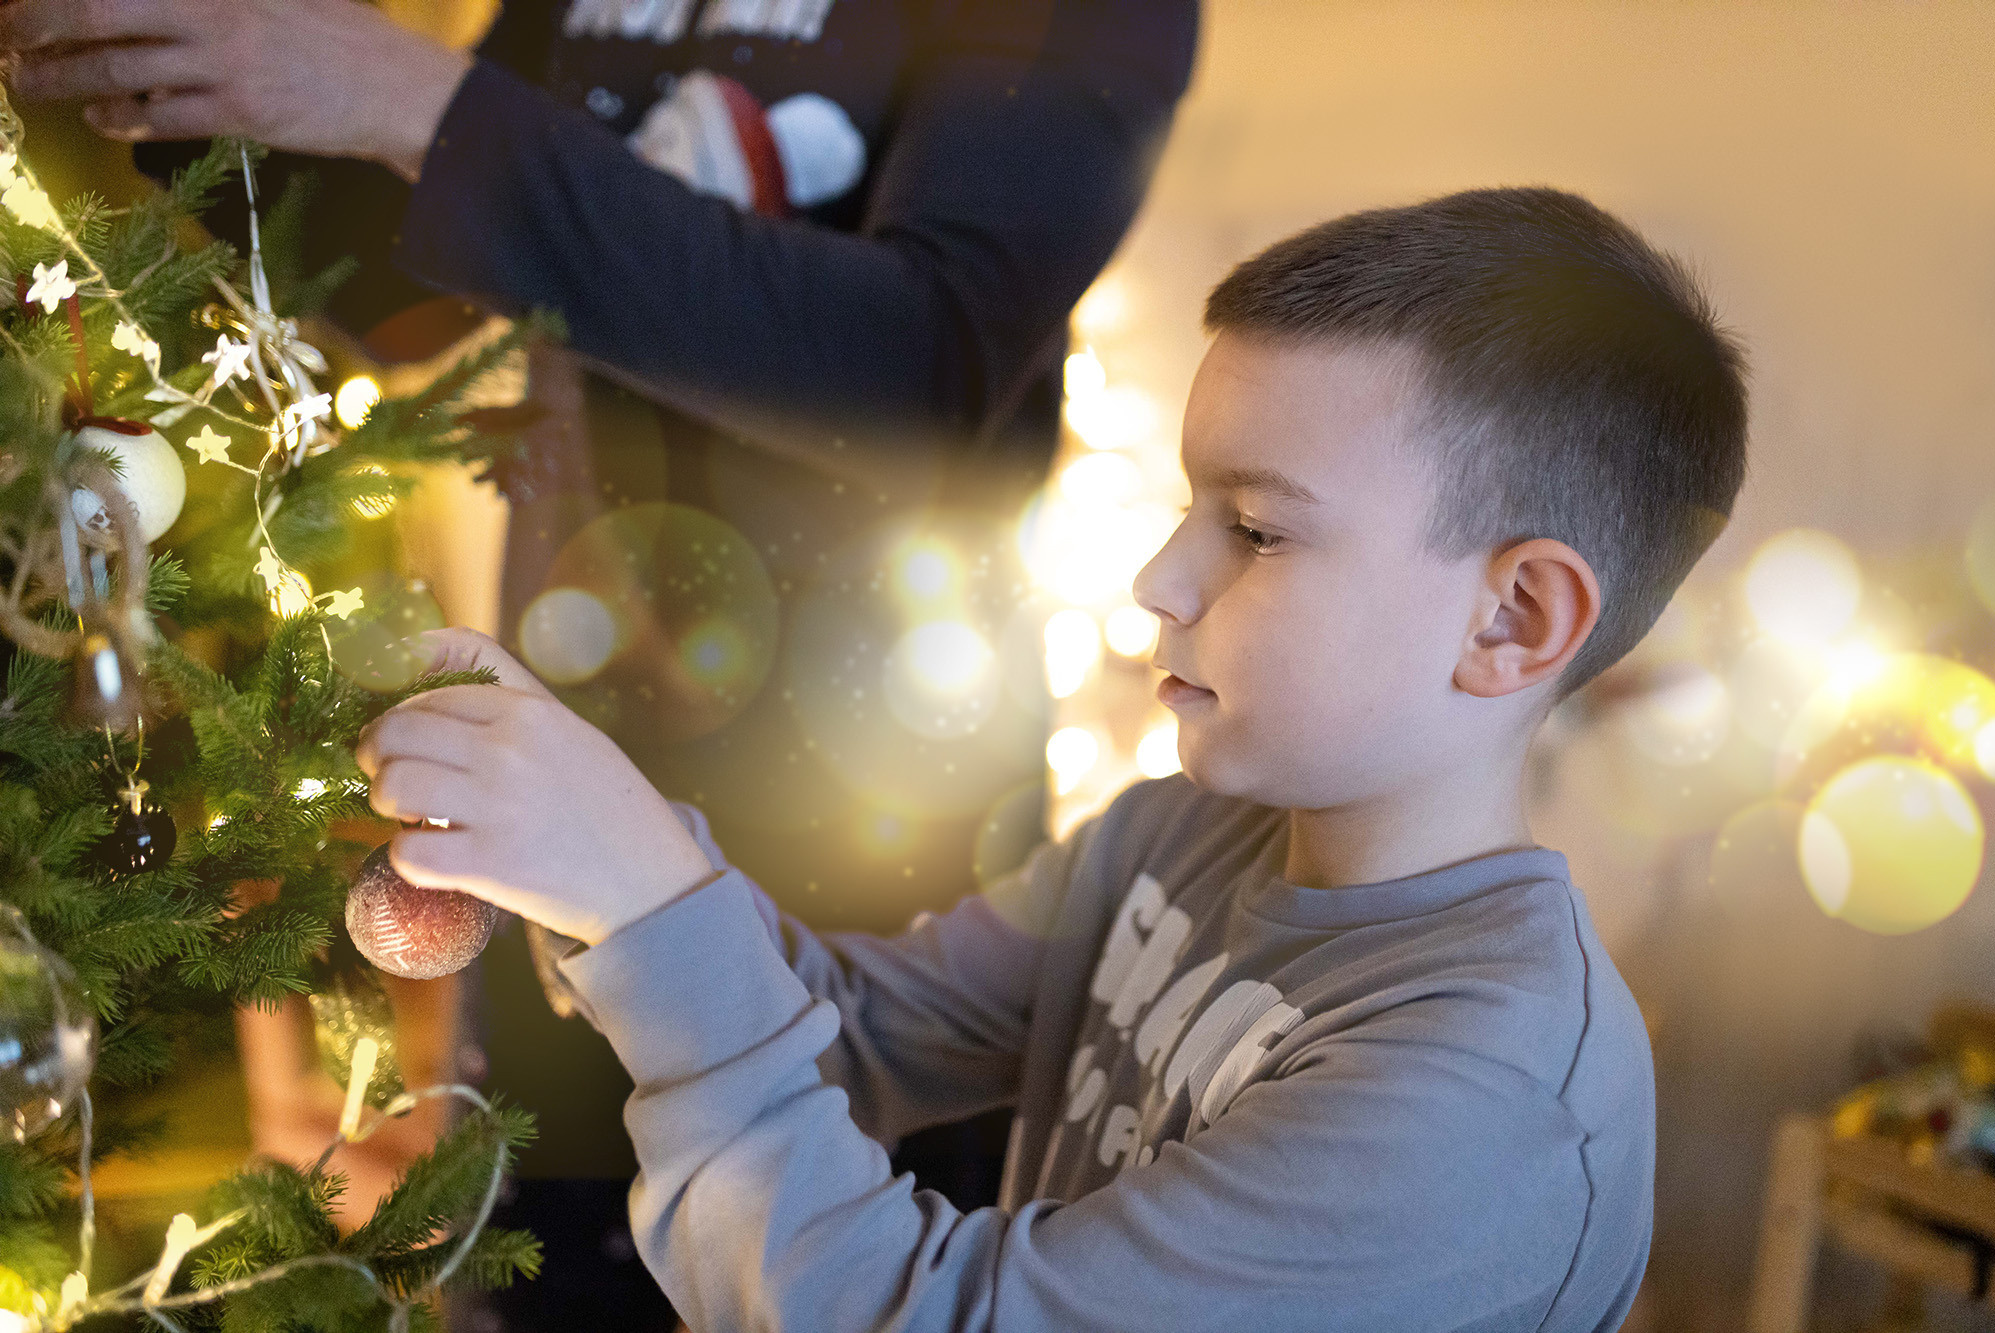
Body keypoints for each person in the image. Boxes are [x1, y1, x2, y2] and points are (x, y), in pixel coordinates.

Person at [350, 185, 1748, 1330]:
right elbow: (852, 1029)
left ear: (1512, 618)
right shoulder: (1168, 836)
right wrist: (594, 847)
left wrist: (654, 901)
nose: (1159, 575)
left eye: (1255, 530)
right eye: (1190, 506)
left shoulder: (1475, 1100)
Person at [4, 1, 1199, 1317]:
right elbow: (417, 288)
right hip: (559, 794)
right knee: (551, 1267)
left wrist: (419, 103)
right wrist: (201, 78)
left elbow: (919, 366)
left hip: (872, 834)